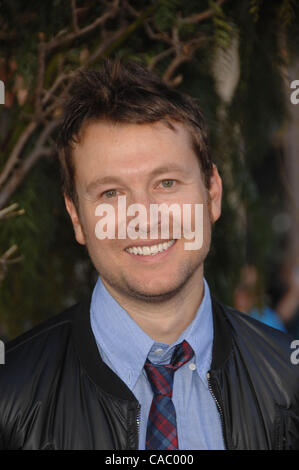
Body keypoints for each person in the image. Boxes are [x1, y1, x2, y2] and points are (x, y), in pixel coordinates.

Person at [0, 59, 299, 451]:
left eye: (167, 183)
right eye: (111, 193)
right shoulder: (10, 397)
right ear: (77, 217)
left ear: (212, 195)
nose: (143, 218)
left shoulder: (289, 383)